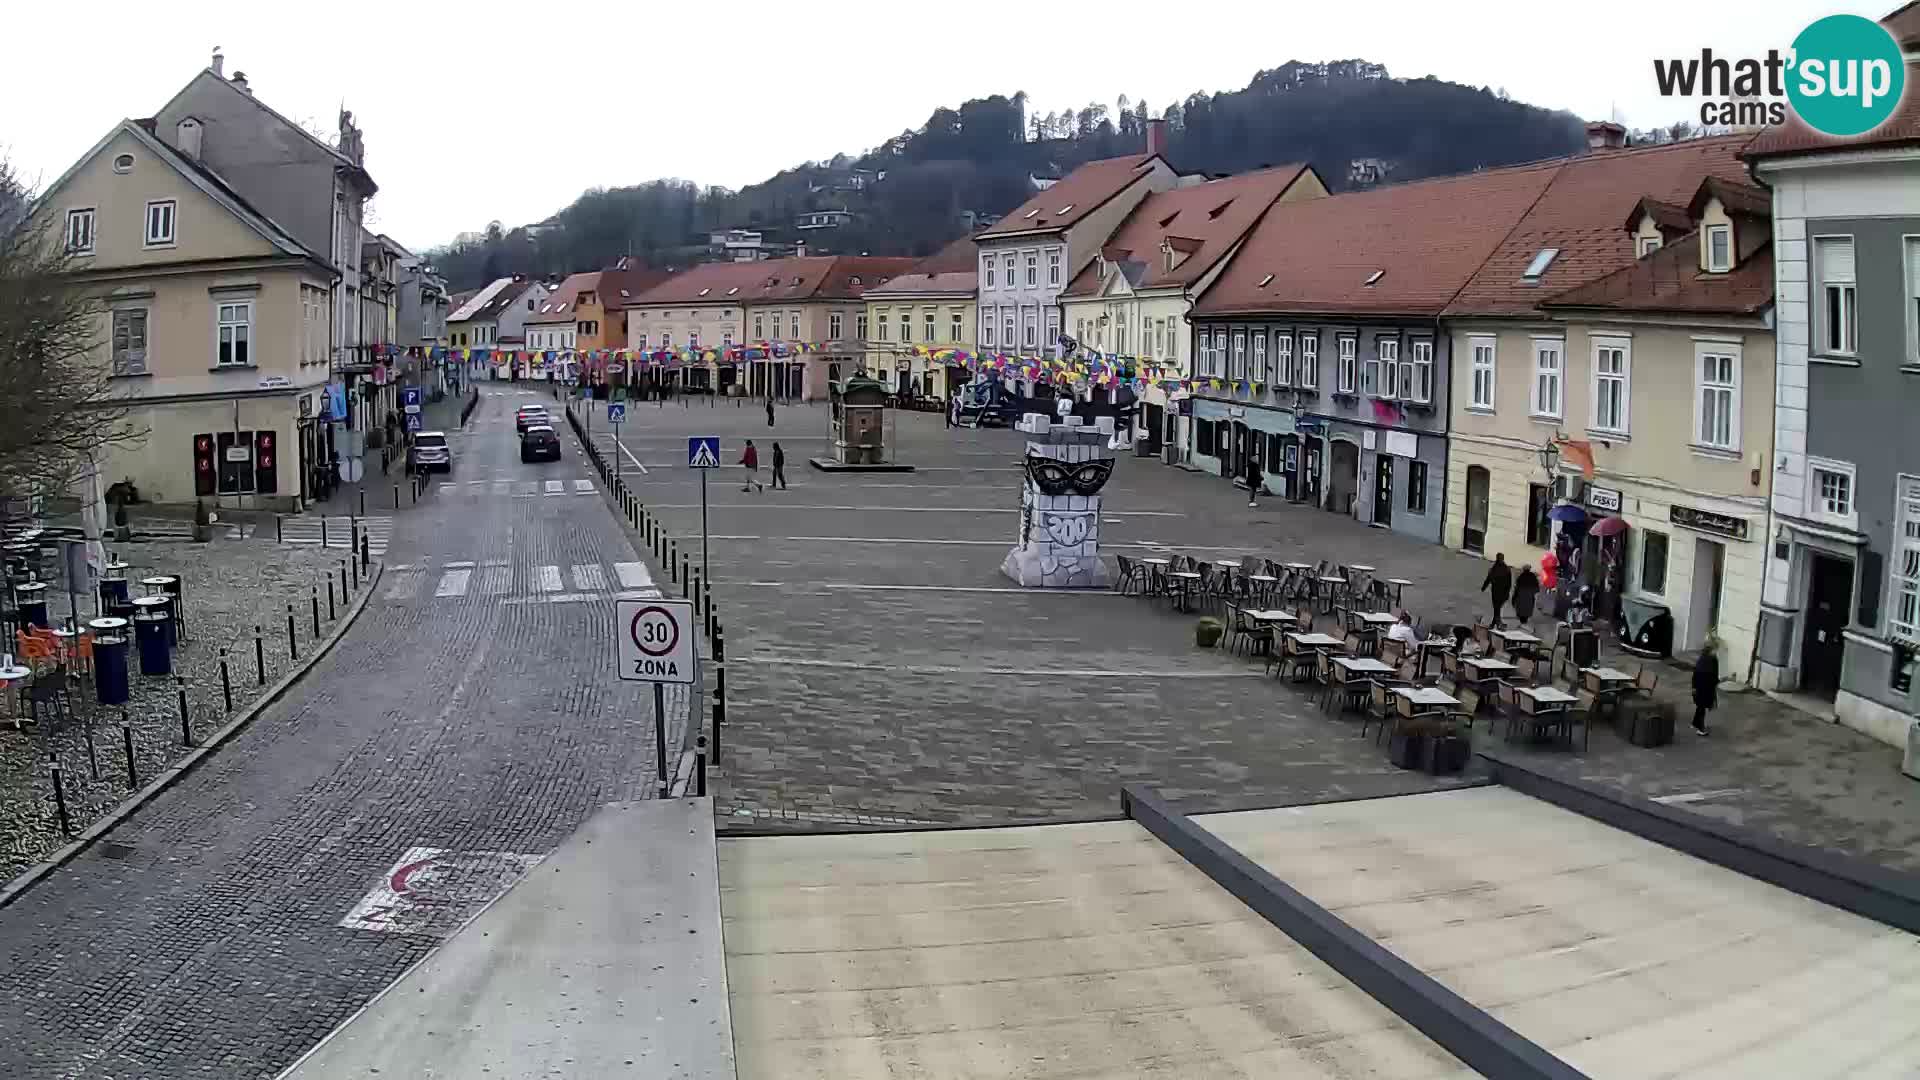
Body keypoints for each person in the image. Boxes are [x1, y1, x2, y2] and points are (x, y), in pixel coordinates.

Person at [1691, 639, 1720, 736]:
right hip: (1703, 688)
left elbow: (1696, 674)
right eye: (1715, 649)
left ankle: (1695, 723)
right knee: (1701, 708)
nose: (1716, 651)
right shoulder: (1708, 660)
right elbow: (1709, 676)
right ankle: (1700, 728)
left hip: (1700, 687)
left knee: (1700, 707)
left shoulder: (1704, 658)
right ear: (1711, 650)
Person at [1480, 553, 1512, 627]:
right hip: (1504, 592)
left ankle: (1495, 623)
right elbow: (1509, 583)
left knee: (1496, 607)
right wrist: (1507, 592)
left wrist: (1483, 588)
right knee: (1497, 608)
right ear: (1503, 559)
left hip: (1495, 591)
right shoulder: (1507, 569)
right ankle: (1496, 622)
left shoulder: (1493, 569)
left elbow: (1489, 579)